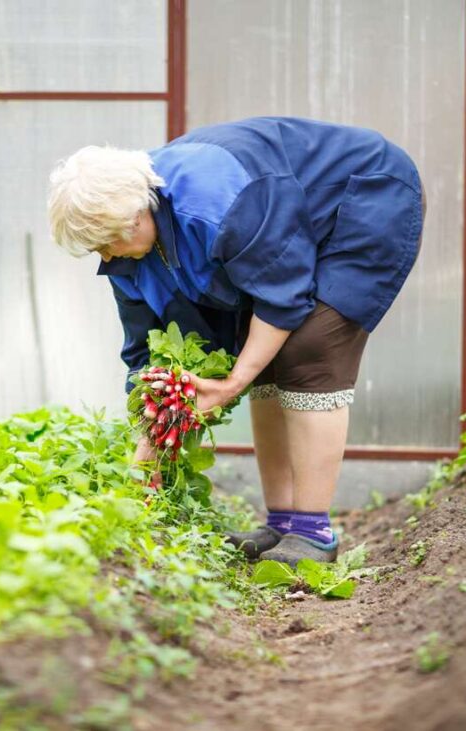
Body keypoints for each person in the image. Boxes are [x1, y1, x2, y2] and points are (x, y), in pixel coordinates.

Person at [47, 117, 424, 566]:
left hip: (363, 203)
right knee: (261, 355)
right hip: (289, 228)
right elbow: (145, 352)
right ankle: (281, 523)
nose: (106, 257)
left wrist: (230, 384)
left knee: (309, 349)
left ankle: (313, 531)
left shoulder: (217, 203)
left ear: (135, 215)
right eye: (96, 250)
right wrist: (146, 451)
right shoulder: (128, 250)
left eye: (107, 243)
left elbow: (282, 295)